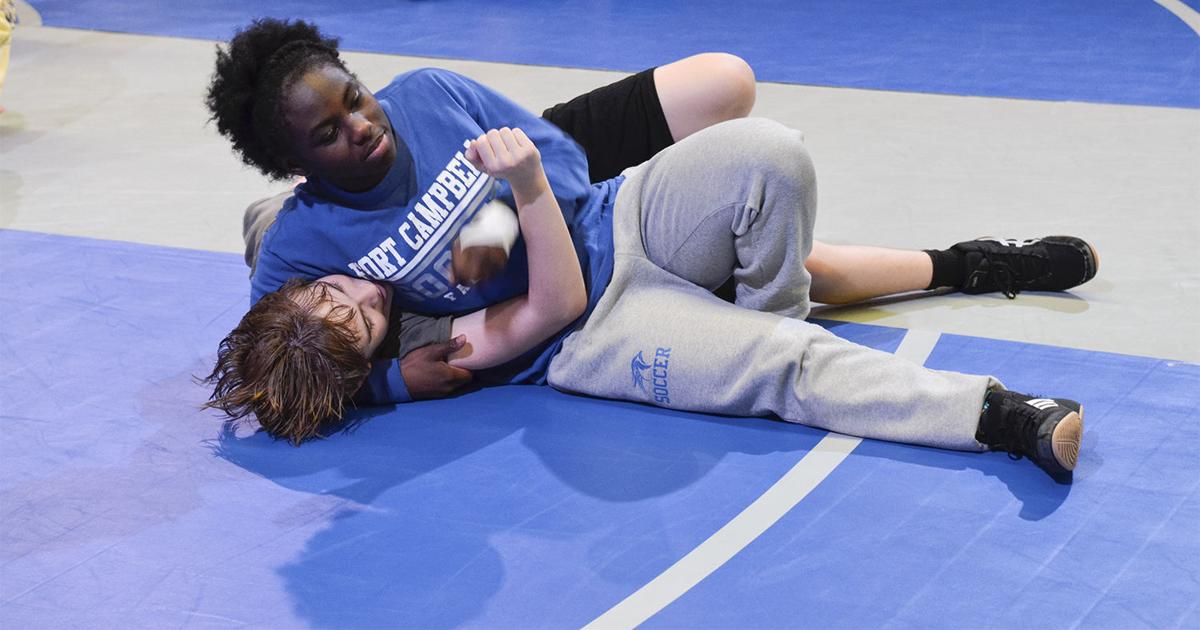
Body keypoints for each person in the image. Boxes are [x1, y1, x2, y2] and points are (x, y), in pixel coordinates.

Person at [204, 18, 1098, 412]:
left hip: (585, 212)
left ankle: (967, 261)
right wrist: (394, 382)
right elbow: (286, 363)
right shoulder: (299, 254)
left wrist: (495, 222)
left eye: (357, 100)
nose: (363, 128)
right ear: (291, 163)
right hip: (569, 305)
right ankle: (974, 264)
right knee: (801, 272)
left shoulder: (426, 97)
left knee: (731, 92)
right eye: (331, 131)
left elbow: (557, 155)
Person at [206, 120, 1095, 484]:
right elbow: (554, 302)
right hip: (595, 329)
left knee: (770, 156)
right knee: (782, 366)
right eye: (356, 318)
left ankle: (967, 264)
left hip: (623, 214)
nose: (359, 290)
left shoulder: (336, 234)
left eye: (335, 283)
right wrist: (386, 381)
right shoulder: (426, 351)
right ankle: (1003, 418)